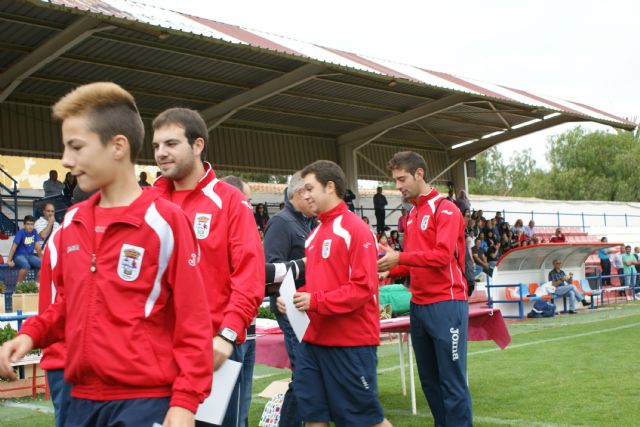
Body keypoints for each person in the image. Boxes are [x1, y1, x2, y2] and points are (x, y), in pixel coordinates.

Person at [0, 82, 213, 426]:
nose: (66, 160)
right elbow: (70, 305)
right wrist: (30, 334)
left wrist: (186, 401)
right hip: (80, 399)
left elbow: (193, 322)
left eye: (76, 147)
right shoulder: (73, 222)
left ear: (117, 146)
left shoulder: (166, 222)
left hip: (143, 402)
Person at [152, 107, 265, 427]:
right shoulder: (148, 203)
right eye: (156, 146)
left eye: (171, 144)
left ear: (197, 145)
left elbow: (249, 276)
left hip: (212, 350)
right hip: (155, 354)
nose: (161, 153)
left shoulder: (229, 202)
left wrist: (227, 335)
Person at [281, 160, 390, 427]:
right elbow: (322, 284)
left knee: (365, 420)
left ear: (330, 187)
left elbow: (362, 288)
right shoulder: (314, 234)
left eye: (309, 188)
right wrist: (297, 298)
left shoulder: (355, 229)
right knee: (313, 418)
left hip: (349, 343)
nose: (304, 194)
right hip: (313, 342)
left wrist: (314, 300)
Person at [378, 151, 471, 426]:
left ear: (419, 173)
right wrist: (388, 268)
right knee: (430, 382)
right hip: (419, 306)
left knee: (451, 383)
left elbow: (441, 257)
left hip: (446, 303)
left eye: (402, 178)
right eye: (395, 180)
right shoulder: (412, 214)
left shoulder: (446, 209)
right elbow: (414, 261)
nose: (398, 186)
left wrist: (400, 258)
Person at [263, 172, 315, 427]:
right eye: (309, 190)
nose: (313, 197)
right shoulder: (282, 223)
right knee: (304, 378)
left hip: (306, 308)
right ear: (297, 193)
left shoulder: (306, 223)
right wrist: (305, 265)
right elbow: (270, 269)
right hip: (290, 311)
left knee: (308, 378)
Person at [221, 175, 258, 427]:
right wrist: (297, 267)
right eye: (248, 201)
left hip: (247, 327)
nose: (251, 208)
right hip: (227, 334)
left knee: (239, 408)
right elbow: (259, 270)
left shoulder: (244, 226)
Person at [6, 215, 42, 284]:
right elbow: (13, 247)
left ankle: (37, 285)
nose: (30, 226)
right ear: (24, 225)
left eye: (32, 224)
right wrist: (9, 260)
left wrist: (41, 257)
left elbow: (38, 247)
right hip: (18, 256)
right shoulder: (20, 232)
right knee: (26, 265)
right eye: (28, 224)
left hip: (30, 256)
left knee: (43, 264)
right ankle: (18, 286)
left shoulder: (34, 232)